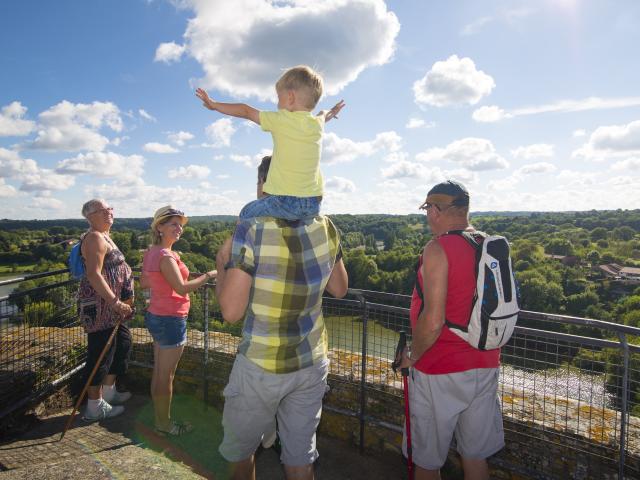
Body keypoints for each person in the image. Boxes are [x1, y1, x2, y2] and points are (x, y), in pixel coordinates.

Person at [214, 160, 349, 480]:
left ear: (265, 184)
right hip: (311, 360)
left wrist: (222, 263)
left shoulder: (252, 228)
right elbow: (340, 289)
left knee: (242, 452)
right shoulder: (326, 226)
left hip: (262, 363)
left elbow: (231, 312)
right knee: (300, 459)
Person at [400, 181, 504, 480]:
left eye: (426, 208)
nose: (426, 215)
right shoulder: (488, 244)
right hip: (485, 362)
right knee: (474, 455)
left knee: (427, 460)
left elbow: (433, 320)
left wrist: (412, 356)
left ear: (436, 210)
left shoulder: (438, 248)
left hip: (440, 367)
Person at [195, 65, 345, 220]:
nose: (277, 103)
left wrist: (214, 105)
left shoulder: (280, 120)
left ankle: (243, 245)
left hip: (286, 202)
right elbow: (324, 114)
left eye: (278, 98)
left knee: (246, 213)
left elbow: (245, 111)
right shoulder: (317, 123)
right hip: (314, 204)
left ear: (290, 97)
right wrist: (332, 111)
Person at [140, 206, 216, 436]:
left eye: (181, 224)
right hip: (171, 319)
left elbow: (145, 282)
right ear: (160, 227)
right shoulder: (165, 256)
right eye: (173, 224)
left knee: (160, 372)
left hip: (157, 315)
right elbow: (182, 289)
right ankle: (164, 425)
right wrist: (209, 276)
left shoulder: (153, 252)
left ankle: (158, 420)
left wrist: (172, 273)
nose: (179, 228)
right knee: (167, 375)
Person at [78, 199, 134, 421]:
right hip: (101, 307)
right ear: (89, 216)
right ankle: (94, 406)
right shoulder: (93, 238)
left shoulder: (104, 236)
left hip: (112, 308)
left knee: (122, 345)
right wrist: (115, 302)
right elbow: (94, 274)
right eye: (102, 210)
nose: (108, 212)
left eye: (110, 208)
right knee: (100, 354)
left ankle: (109, 393)